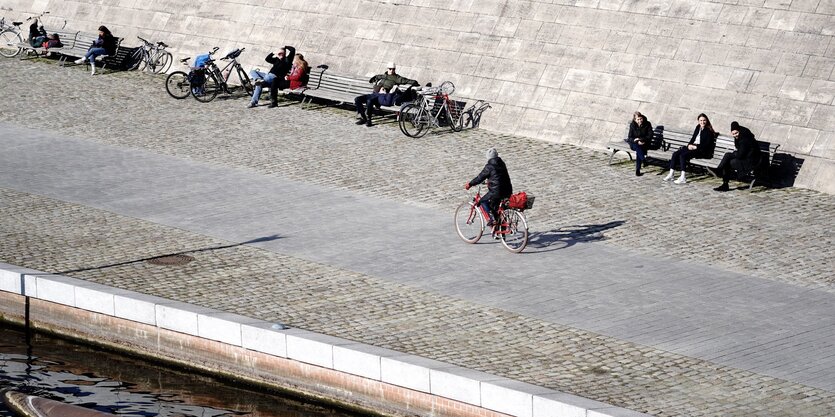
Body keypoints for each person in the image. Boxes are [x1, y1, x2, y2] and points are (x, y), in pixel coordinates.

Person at [354, 62, 418, 127]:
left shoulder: (396, 78)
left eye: (393, 69)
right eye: (390, 69)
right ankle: (363, 117)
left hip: (382, 96)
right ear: (387, 69)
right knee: (357, 99)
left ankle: (369, 120)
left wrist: (414, 83)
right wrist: (374, 81)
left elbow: (406, 80)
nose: (392, 70)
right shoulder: (383, 76)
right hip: (374, 94)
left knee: (369, 101)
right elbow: (375, 77)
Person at [464, 148, 513, 231]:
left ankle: (492, 219)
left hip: (497, 191)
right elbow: (498, 176)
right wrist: (490, 182)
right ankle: (500, 228)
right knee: (497, 208)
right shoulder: (502, 163)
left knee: (482, 201)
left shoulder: (489, 166)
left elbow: (480, 177)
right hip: (508, 190)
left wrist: (470, 184)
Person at [663, 113, 717, 184]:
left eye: (704, 120)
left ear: (707, 121)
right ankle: (671, 174)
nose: (702, 122)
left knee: (683, 155)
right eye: (701, 120)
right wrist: (689, 145)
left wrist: (696, 147)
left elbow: (706, 145)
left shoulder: (708, 130)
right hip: (694, 147)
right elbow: (693, 138)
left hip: (702, 151)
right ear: (698, 121)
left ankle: (683, 177)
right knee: (676, 153)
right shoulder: (698, 127)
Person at [714, 121, 762, 192]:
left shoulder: (745, 138)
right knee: (727, 160)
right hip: (746, 158)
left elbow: (740, 155)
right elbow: (741, 152)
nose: (735, 135)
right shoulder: (740, 137)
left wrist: (734, 154)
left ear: (739, 131)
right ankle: (724, 183)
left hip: (752, 161)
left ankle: (720, 173)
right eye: (733, 134)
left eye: (736, 133)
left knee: (728, 158)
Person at [626, 111, 653, 176]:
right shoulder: (632, 125)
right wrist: (636, 140)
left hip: (644, 143)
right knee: (638, 147)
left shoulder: (647, 124)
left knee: (639, 150)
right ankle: (643, 160)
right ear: (635, 120)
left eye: (641, 119)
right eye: (638, 119)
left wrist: (641, 140)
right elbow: (629, 137)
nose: (640, 120)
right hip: (634, 143)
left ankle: (638, 169)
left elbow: (650, 135)